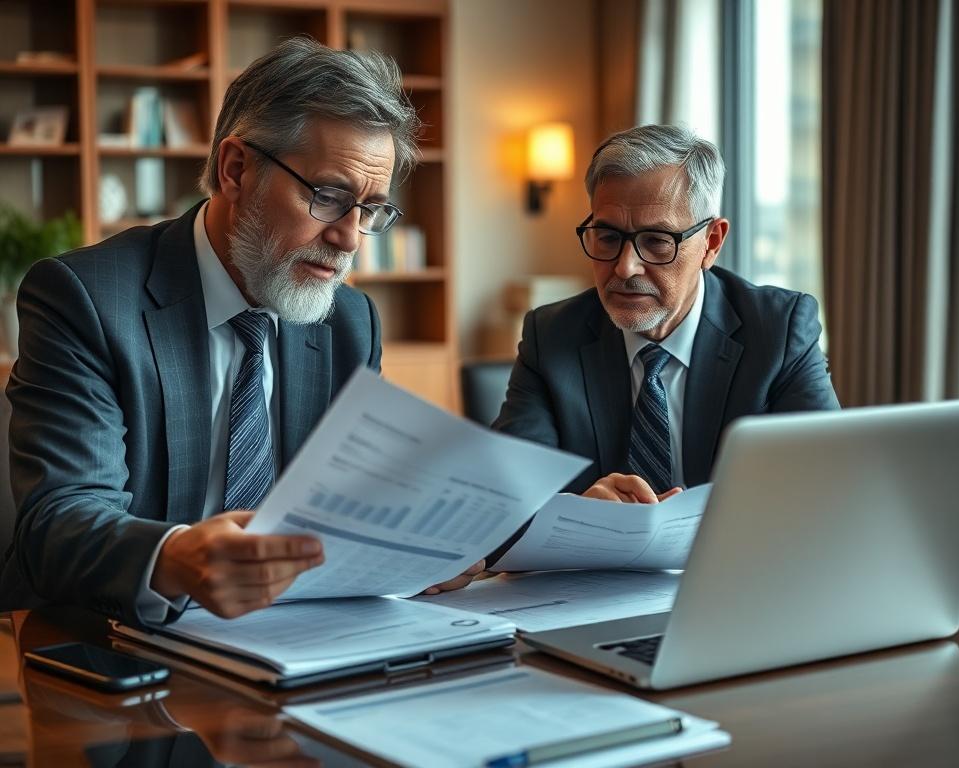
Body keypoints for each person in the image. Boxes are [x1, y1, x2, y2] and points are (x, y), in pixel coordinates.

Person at [0, 38, 480, 626]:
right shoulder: (87, 298)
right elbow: (58, 524)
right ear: (235, 170)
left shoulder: (350, 322)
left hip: (296, 639)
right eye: (329, 197)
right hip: (115, 643)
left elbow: (355, 504)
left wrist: (427, 543)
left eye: (372, 209)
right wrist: (174, 557)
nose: (351, 239)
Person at [493, 124, 840, 503]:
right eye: (608, 237)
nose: (625, 268)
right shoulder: (552, 336)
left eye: (657, 241)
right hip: (595, 561)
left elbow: (827, 488)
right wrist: (581, 514)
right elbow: (505, 501)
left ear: (711, 243)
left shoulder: (779, 332)